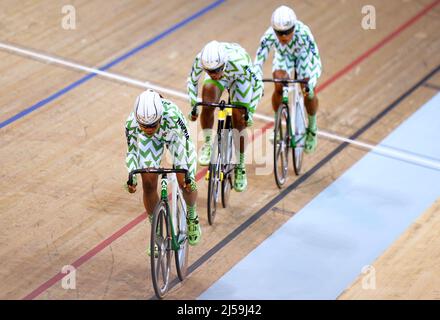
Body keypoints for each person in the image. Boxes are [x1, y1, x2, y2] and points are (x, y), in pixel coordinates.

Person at [125, 89, 202, 247]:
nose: (148, 129)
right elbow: (132, 151)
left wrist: (189, 174)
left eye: (152, 125)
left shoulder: (173, 115)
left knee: (185, 182)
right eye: (143, 126)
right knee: (148, 182)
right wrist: (131, 176)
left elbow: (186, 145)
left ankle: (192, 215)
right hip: (150, 142)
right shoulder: (131, 123)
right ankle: (156, 230)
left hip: (175, 138)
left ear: (160, 117)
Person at [187, 40, 263, 192]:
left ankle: (240, 165)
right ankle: (208, 144)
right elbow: (192, 81)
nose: (213, 75)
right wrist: (194, 105)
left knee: (239, 118)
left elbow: (258, 85)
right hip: (225, 77)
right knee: (207, 101)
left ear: (224, 63)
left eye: (216, 71)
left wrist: (251, 112)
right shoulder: (201, 60)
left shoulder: (241, 64)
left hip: (241, 79)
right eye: (209, 72)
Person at [254, 5, 322, 153]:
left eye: (287, 32)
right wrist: (257, 79)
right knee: (278, 84)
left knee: (307, 89)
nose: (283, 36)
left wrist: (312, 82)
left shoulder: (304, 33)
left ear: (294, 27)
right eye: (280, 33)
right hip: (283, 58)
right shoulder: (269, 35)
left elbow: (316, 61)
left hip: (303, 57)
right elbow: (258, 60)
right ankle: (277, 125)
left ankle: (312, 128)